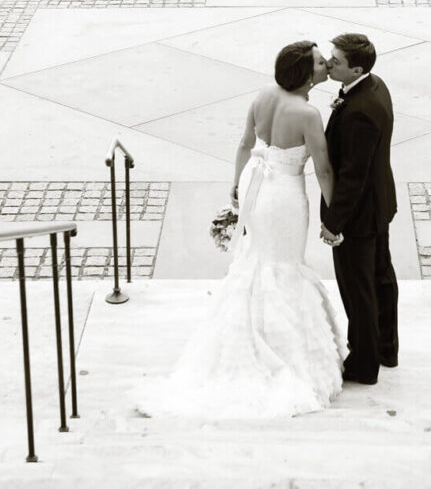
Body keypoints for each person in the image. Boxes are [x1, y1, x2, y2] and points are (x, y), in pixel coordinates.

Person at [136, 41, 346, 419]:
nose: (325, 66)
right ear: (305, 74)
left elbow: (246, 143)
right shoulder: (308, 113)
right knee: (282, 266)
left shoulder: (264, 95)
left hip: (256, 184)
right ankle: (281, 351)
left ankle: (247, 337)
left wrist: (236, 185)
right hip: (283, 196)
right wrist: (335, 217)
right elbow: (324, 169)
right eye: (319, 62)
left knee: (256, 261)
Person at [320, 34, 398, 386]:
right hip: (378, 205)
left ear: (355, 69)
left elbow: (353, 176)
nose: (328, 63)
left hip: (359, 215)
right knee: (381, 278)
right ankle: (386, 348)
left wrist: (333, 222)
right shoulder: (375, 85)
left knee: (358, 289)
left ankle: (364, 365)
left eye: (335, 60)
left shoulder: (360, 112)